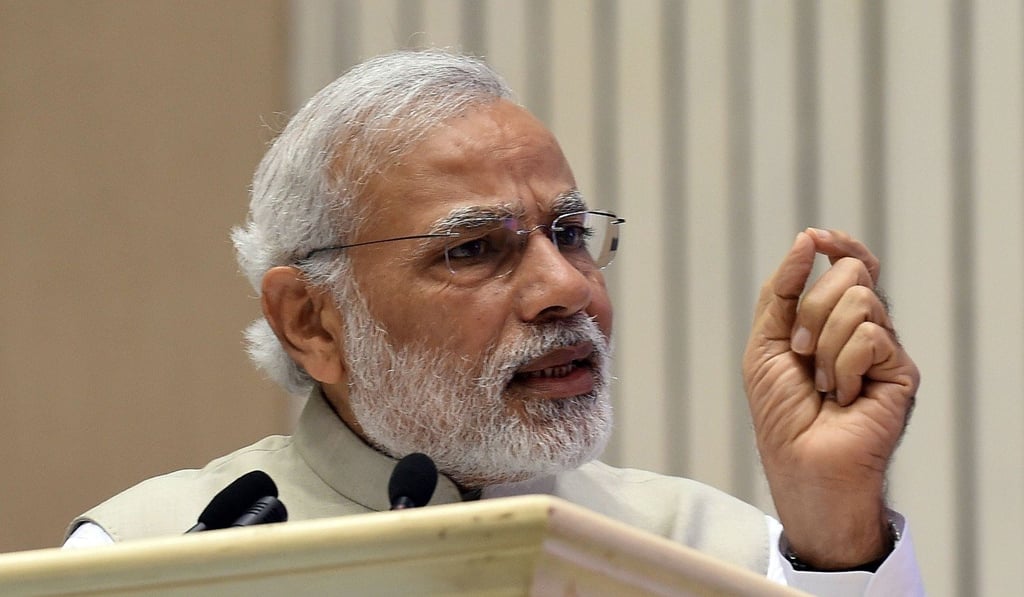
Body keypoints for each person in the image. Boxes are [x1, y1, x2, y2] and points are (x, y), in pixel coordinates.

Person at [64, 49, 923, 594]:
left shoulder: (720, 557)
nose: (566, 288)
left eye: (570, 234)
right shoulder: (152, 558)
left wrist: (838, 529)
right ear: (312, 321)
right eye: (475, 248)